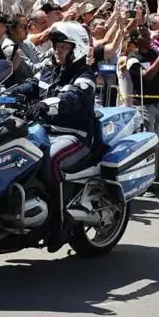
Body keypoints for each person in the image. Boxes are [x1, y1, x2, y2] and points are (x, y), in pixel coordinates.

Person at [29, 21, 102, 249]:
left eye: (63, 46)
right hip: (44, 130)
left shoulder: (84, 74)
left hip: (75, 135)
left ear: (76, 48)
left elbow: (73, 98)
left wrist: (46, 105)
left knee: (51, 160)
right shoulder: (50, 70)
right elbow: (30, 85)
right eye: (56, 46)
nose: (57, 50)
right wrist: (2, 93)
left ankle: (59, 222)